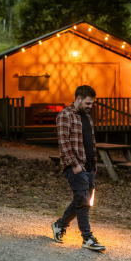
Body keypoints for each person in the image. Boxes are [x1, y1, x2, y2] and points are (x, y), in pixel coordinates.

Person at [51, 85, 106, 251]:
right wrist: (74, 165)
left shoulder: (87, 117)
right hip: (74, 166)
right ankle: (87, 238)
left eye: (92, 104)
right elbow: (64, 143)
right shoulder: (65, 115)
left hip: (89, 166)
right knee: (82, 201)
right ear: (79, 98)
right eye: (88, 103)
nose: (90, 107)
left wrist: (94, 164)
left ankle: (59, 225)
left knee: (83, 200)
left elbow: (91, 142)